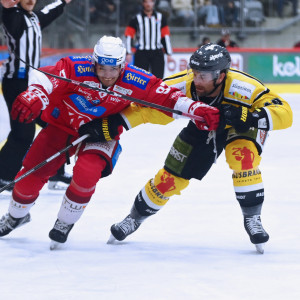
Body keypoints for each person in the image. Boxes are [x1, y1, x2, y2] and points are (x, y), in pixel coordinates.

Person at [0, 36, 220, 248]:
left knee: (87, 173)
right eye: (102, 68)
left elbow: (167, 97)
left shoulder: (135, 78)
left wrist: (196, 109)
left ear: (122, 66)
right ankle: (16, 216)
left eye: (113, 69)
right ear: (94, 62)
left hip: (101, 133)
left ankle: (65, 221)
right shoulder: (76, 67)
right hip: (62, 126)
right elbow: (46, 76)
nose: (107, 75)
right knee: (29, 175)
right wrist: (35, 95)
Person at [106, 43, 293, 253]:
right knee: (170, 178)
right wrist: (116, 123)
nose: (196, 80)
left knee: (242, 157)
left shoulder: (243, 86)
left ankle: (252, 218)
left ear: (221, 76)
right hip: (202, 125)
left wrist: (250, 117)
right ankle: (134, 218)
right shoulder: (183, 85)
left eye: (203, 76)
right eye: (194, 73)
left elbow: (285, 112)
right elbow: (147, 109)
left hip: (241, 126)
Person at [0, 0, 73, 191]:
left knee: (55, 124)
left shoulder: (35, 18)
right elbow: (10, 21)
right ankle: (3, 176)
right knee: (23, 133)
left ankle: (55, 173)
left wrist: (63, 1)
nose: (30, 0)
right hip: (16, 82)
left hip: (34, 83)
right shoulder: (14, 16)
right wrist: (6, 7)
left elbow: (50, 11)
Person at [125, 0, 173, 79]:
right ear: (143, 3)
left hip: (157, 52)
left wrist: (169, 54)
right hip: (142, 52)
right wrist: (128, 52)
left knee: (158, 79)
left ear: (154, 3)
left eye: (151, 2)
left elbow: (165, 36)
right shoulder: (136, 18)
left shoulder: (161, 17)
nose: (148, 4)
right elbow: (129, 35)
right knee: (140, 79)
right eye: (146, 2)